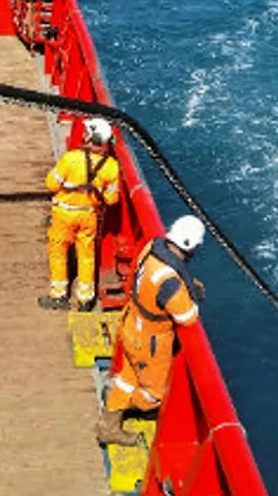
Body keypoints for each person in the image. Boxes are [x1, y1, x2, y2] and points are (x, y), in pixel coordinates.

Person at [96, 215, 207, 447]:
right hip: (150, 341)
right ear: (191, 246)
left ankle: (109, 424)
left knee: (128, 378)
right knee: (155, 394)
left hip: (132, 323)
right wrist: (192, 295)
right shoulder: (169, 281)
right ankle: (125, 404)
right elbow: (187, 317)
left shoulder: (151, 248)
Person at [39, 117, 121, 312]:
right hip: (88, 216)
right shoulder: (111, 166)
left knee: (58, 252)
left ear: (89, 137)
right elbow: (111, 199)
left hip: (63, 214)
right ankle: (85, 299)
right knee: (86, 255)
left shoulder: (70, 159)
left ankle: (59, 295)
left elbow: (51, 184)